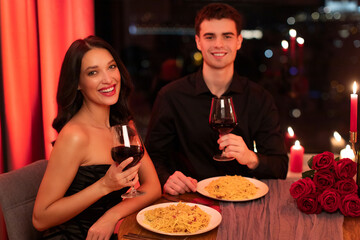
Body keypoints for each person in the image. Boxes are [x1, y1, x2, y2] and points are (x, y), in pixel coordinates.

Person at [145, 3, 288, 196]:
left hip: (243, 203)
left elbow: (280, 167)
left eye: (227, 36)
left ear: (238, 41)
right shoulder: (171, 96)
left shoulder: (259, 98)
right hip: (188, 202)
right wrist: (165, 178)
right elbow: (152, 158)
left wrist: (250, 158)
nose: (218, 44)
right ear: (198, 42)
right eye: (210, 36)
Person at [32, 36, 161, 239]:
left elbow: (153, 187)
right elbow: (40, 219)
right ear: (77, 84)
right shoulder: (75, 135)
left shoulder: (124, 125)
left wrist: (111, 216)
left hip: (111, 230)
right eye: (93, 72)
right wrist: (104, 185)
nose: (108, 79)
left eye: (111, 67)